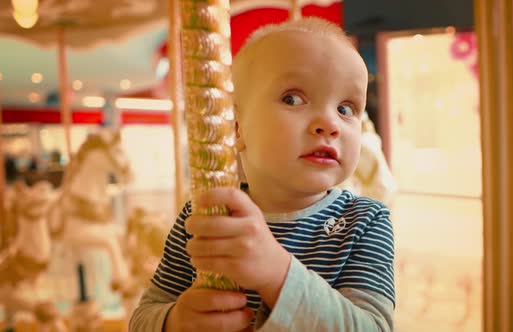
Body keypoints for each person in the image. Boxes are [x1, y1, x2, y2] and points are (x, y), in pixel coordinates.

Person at [129, 17, 395, 331]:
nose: (330, 123)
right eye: (293, 99)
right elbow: (144, 317)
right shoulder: (205, 215)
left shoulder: (364, 221)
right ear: (236, 127)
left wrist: (277, 273)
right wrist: (174, 321)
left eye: (346, 108)